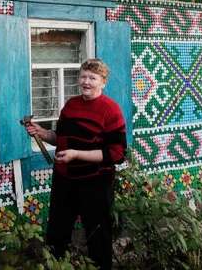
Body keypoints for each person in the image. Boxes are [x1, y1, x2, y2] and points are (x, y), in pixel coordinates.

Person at [25, 58, 127, 270]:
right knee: (56, 234)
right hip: (65, 180)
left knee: (98, 236)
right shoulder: (71, 106)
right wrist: (42, 133)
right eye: (83, 76)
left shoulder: (111, 110)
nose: (86, 82)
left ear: (103, 82)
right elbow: (59, 138)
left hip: (96, 183)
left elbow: (116, 154)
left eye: (92, 78)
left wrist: (76, 154)